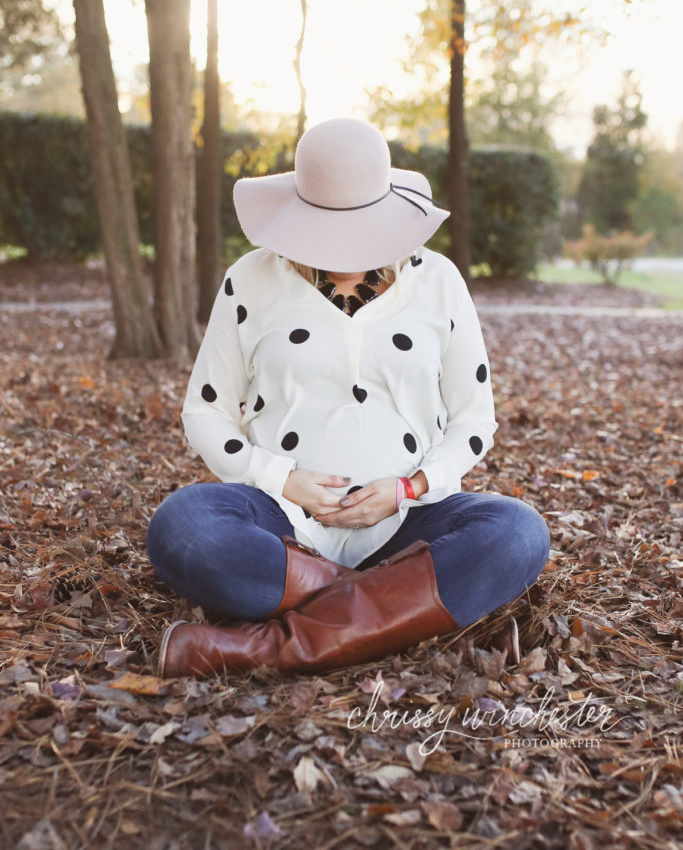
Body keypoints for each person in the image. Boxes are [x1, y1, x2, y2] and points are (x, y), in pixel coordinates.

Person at [146, 117, 550, 678]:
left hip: (408, 522)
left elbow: (474, 417)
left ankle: (265, 645)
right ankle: (401, 611)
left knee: (519, 532)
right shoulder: (251, 280)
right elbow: (206, 410)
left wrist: (409, 488)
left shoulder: (439, 281)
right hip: (280, 522)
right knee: (183, 528)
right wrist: (281, 478)